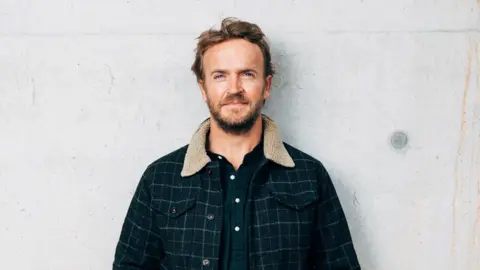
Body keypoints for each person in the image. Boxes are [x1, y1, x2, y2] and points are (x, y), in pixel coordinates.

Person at [113, 17, 361, 270]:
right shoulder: (160, 179)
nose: (234, 88)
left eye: (247, 74)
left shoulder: (308, 176)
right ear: (203, 88)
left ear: (266, 86)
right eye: (220, 75)